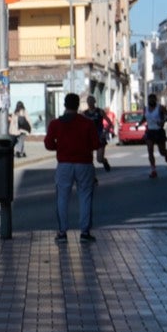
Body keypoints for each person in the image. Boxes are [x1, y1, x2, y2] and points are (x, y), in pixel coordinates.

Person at [45, 92, 99, 244]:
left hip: (64, 164)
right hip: (84, 164)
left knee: (62, 197)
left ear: (65, 105)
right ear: (78, 105)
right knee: (85, 197)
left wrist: (60, 147)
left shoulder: (56, 124)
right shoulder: (87, 123)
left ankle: (62, 233)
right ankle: (85, 233)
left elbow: (48, 144)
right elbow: (95, 144)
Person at [144, 93, 167, 178]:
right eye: (150, 100)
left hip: (159, 131)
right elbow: (144, 117)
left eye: (153, 100)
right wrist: (139, 124)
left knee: (161, 151)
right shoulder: (145, 108)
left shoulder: (160, 108)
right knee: (150, 150)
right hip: (150, 132)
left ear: (155, 100)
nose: (151, 101)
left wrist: (163, 121)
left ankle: (166, 153)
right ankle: (153, 170)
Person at [82, 94, 111, 172]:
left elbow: (109, 123)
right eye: (88, 101)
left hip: (99, 136)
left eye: (91, 101)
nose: (90, 103)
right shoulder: (84, 114)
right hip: (89, 137)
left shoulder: (100, 111)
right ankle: (92, 173)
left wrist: (105, 132)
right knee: (89, 159)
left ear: (94, 102)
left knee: (99, 159)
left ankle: (104, 161)